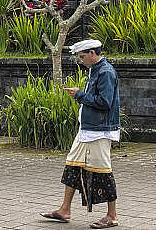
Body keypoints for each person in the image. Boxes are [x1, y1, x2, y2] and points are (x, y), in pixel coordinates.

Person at [41, 39, 121, 229]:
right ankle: (64, 210)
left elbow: (105, 102)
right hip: (88, 129)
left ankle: (112, 215)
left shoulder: (105, 72)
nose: (81, 60)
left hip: (99, 130)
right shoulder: (96, 69)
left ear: (92, 53)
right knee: (72, 165)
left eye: (83, 56)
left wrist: (79, 95)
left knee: (103, 170)